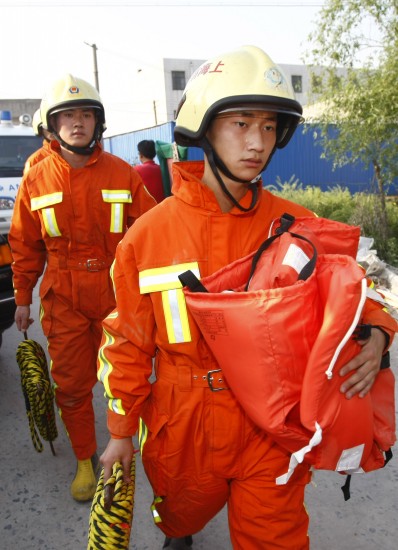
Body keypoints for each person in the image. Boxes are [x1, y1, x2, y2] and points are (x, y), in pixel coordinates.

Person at [97, 46, 397, 549]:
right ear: (204, 127)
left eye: (268, 126)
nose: (258, 142)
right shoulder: (147, 237)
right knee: (177, 516)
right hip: (184, 424)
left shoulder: (300, 226)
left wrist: (379, 336)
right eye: (241, 123)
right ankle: (180, 533)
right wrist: (121, 431)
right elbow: (127, 343)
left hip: (271, 427)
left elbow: (363, 291)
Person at [9, 74, 156, 502]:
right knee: (72, 385)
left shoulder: (122, 174)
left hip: (116, 294)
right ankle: (84, 458)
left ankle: (123, 444)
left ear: (98, 123)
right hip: (64, 297)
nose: (78, 122)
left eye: (86, 114)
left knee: (124, 380)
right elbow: (23, 243)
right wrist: (22, 298)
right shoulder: (36, 180)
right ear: (52, 127)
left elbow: (149, 234)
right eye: (68, 115)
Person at [23, 108, 53, 174]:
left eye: (55, 126)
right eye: (47, 127)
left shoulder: (76, 155)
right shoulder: (35, 160)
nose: (51, 130)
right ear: (40, 130)